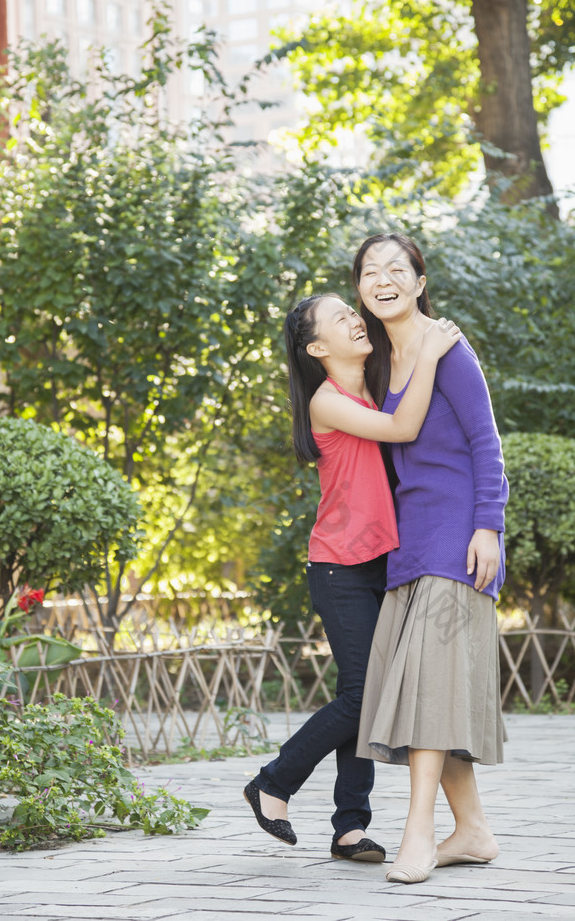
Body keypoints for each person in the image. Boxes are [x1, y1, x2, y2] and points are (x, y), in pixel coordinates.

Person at [243, 292, 460, 862]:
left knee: (361, 693)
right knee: (366, 694)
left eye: (351, 311)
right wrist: (434, 352)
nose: (354, 318)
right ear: (317, 347)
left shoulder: (377, 381)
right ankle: (273, 783)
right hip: (339, 566)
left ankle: (349, 827)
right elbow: (404, 427)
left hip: (384, 562)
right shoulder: (327, 400)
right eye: (339, 317)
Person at [352, 232, 508, 885]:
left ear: (420, 282)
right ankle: (470, 832)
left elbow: (485, 441)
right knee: (430, 687)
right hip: (409, 545)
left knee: (430, 686)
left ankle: (417, 832)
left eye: (396, 269)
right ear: (360, 288)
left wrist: (488, 528)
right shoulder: (378, 363)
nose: (382, 278)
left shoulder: (449, 346)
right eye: (369, 271)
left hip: (457, 539)